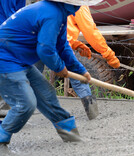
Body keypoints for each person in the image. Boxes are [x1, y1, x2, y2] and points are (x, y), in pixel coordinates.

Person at [0, 0, 103, 145]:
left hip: (20, 59)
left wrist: (80, 70)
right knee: (25, 104)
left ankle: (73, 139)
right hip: (5, 59)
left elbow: (62, 46)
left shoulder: (58, 13)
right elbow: (45, 50)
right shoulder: (51, 13)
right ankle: (2, 135)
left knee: (47, 96)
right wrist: (59, 67)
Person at [66, 5, 120, 120]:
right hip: (57, 45)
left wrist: (74, 43)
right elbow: (90, 32)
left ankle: (24, 108)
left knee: (33, 78)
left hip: (38, 40)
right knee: (79, 77)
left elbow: (58, 26)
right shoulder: (79, 3)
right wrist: (109, 55)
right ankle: (92, 115)